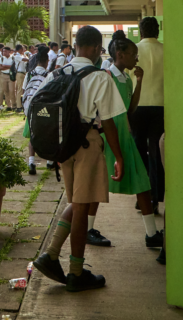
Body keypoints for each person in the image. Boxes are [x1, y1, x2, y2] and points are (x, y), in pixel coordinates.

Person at [31, 26, 125, 292]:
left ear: (75, 44)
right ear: (96, 48)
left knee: (78, 202)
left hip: (64, 148)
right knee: (82, 208)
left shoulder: (58, 72)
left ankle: (50, 255)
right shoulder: (99, 77)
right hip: (87, 144)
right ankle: (75, 271)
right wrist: (118, 156)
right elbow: (108, 122)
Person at [100, 30, 164, 251]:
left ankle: (151, 233)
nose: (136, 58)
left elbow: (131, 108)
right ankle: (150, 233)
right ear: (120, 54)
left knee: (141, 182)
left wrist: (139, 81)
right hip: (112, 135)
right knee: (98, 186)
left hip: (124, 133)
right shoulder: (106, 76)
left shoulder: (125, 77)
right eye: (133, 53)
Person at [133, 17, 165, 209]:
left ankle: (142, 196)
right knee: (155, 151)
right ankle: (155, 196)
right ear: (158, 31)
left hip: (138, 106)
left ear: (141, 32)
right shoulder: (166, 50)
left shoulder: (134, 51)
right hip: (161, 106)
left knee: (138, 152)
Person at [21, 45, 50, 176]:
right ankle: (50, 161)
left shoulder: (29, 74)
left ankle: (31, 162)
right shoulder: (49, 75)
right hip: (45, 109)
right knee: (48, 134)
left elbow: (24, 91)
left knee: (33, 136)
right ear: (46, 61)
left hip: (31, 108)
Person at [13, 44, 28, 113]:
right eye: (22, 49)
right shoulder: (17, 56)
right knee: (19, 89)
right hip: (19, 73)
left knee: (22, 89)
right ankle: (18, 106)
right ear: (19, 49)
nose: (23, 50)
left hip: (23, 73)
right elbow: (25, 60)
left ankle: (21, 105)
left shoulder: (21, 55)